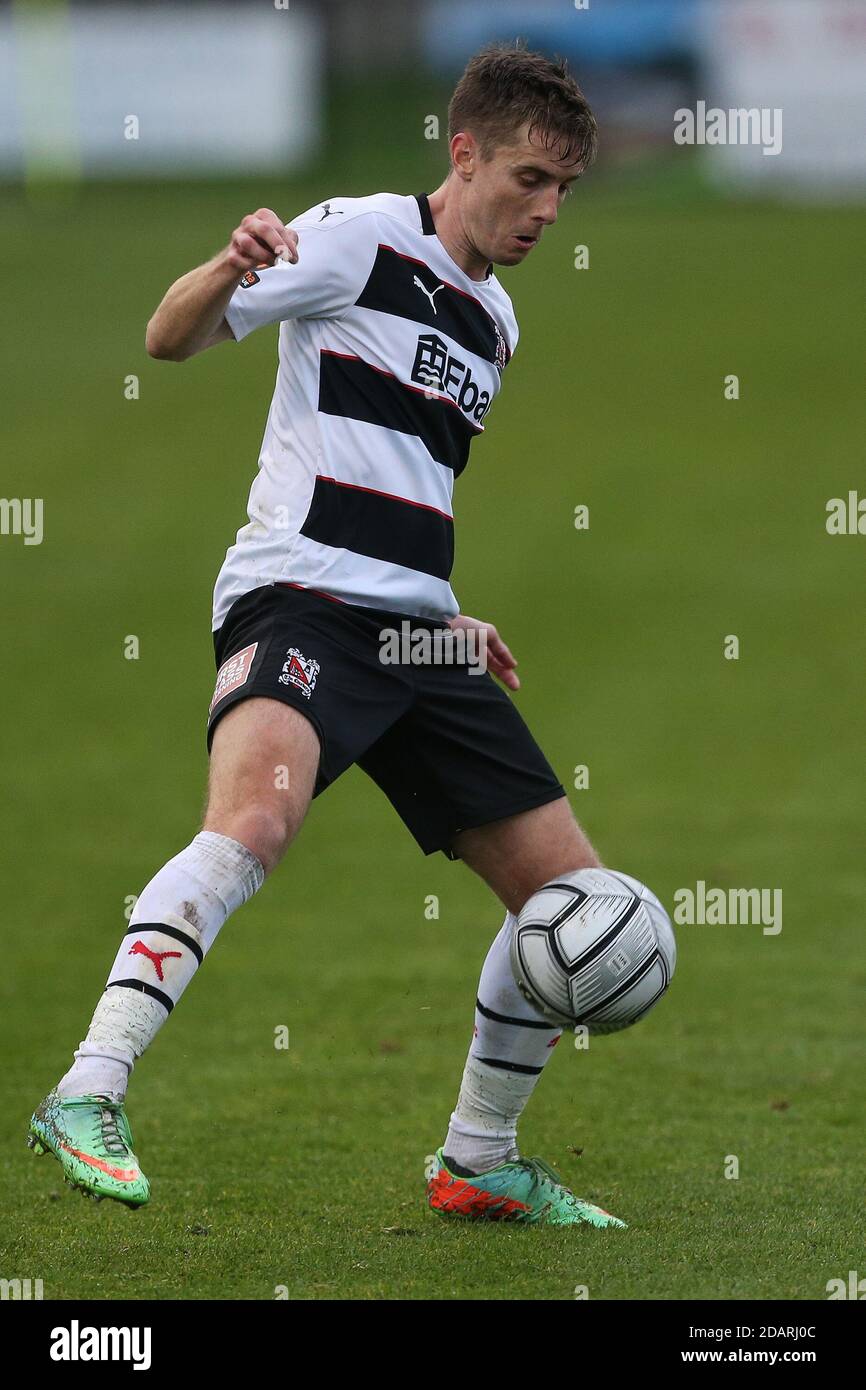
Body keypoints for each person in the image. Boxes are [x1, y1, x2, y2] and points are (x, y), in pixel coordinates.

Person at [29, 42, 625, 1228]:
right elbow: (170, 335)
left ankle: (476, 1159)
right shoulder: (354, 235)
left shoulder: (497, 324)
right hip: (298, 601)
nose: (546, 210)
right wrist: (225, 263)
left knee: (574, 905)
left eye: (562, 189)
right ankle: (87, 1088)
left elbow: (399, 478)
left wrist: (447, 612)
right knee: (254, 821)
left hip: (414, 636)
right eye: (526, 180)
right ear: (461, 154)